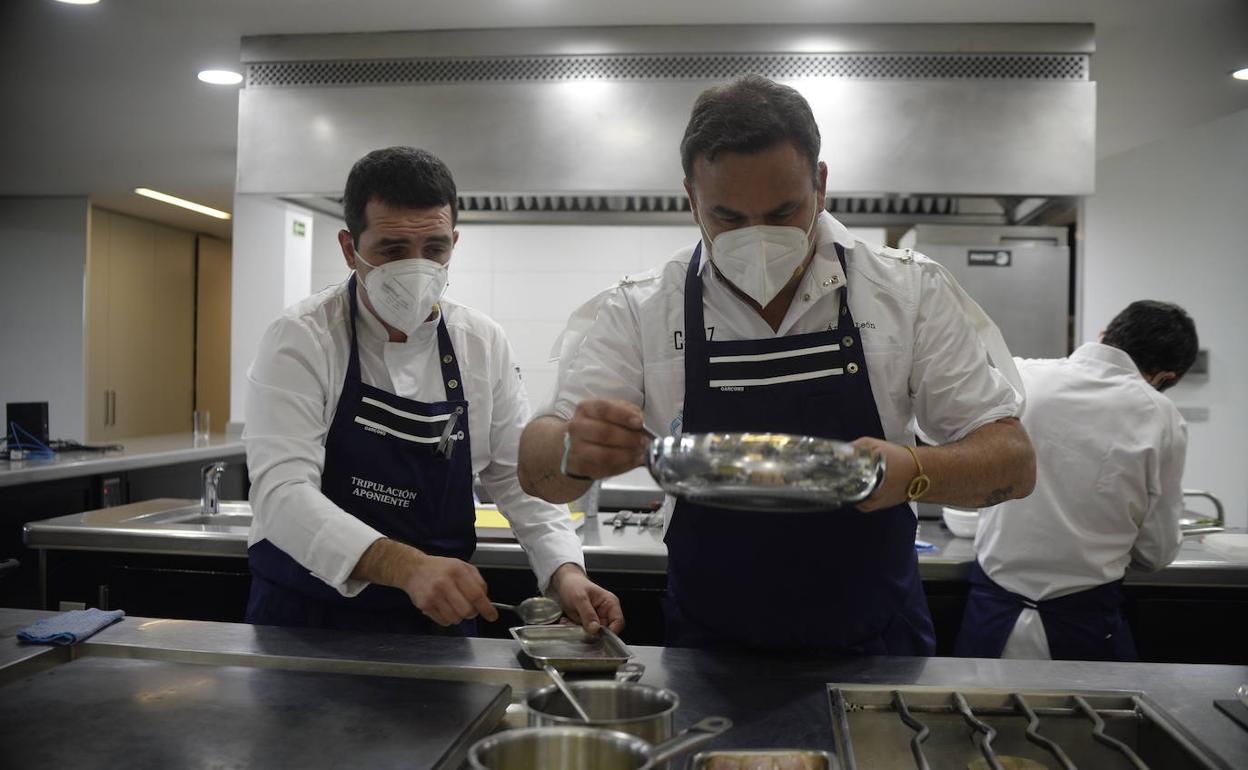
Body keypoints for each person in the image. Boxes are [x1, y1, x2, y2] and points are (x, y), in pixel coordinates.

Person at [516, 75, 1035, 655]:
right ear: (690, 200)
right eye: (729, 218)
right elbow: (535, 470)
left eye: (784, 211)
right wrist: (572, 449)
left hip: (878, 646)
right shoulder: (641, 311)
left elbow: (1013, 463)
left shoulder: (906, 293)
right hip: (709, 651)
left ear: (820, 183)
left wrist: (913, 470)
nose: (757, 238)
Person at [243, 146, 623, 635]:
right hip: (309, 619)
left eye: (435, 249)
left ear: (454, 242)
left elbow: (518, 478)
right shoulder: (301, 338)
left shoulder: (481, 342)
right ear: (348, 247)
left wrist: (564, 571)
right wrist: (407, 567)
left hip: (438, 619)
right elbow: (281, 493)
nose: (416, 268)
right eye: (392, 250)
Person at [956, 300, 1198, 661]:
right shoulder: (1161, 416)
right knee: (1089, 719)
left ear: (1104, 335)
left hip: (991, 616)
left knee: (981, 716)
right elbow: (1155, 552)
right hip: (1086, 627)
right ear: (1165, 377)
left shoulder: (1021, 376)